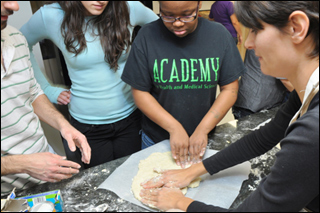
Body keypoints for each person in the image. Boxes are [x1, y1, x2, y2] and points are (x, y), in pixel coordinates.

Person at [139, 1, 319, 212]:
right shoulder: (306, 94)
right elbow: (263, 138)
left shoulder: (313, 130)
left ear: (296, 27)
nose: (249, 43)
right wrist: (193, 171)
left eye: (255, 29)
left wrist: (179, 202)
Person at [20, 1, 159, 169]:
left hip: (131, 119)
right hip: (87, 129)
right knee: (98, 187)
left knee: (133, 179)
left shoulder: (128, 7)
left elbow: (162, 32)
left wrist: (149, 79)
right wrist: (46, 89)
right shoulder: (50, 16)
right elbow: (20, 44)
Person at [121, 1, 245, 168]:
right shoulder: (146, 36)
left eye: (187, 15)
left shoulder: (219, 35)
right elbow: (140, 92)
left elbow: (229, 89)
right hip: (156, 140)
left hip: (204, 137)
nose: (177, 23)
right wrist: (174, 128)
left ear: (199, 5)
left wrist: (202, 129)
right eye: (168, 15)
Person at [1, 1, 91, 196]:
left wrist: (63, 124)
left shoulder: (15, 37)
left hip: (44, 176)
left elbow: (32, 93)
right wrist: (23, 164)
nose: (14, 6)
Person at [232, 49, 291, 119]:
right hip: (259, 104)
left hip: (245, 97)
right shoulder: (277, 43)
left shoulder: (257, 40)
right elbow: (285, 80)